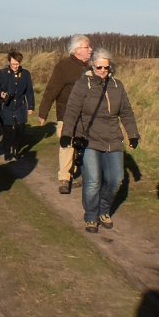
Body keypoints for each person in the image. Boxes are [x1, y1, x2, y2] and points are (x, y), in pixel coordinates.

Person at [60, 48, 140, 233]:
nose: (103, 70)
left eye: (106, 67)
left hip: (113, 139)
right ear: (92, 66)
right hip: (90, 139)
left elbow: (126, 112)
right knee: (94, 180)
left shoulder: (117, 85)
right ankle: (91, 215)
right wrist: (67, 134)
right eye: (99, 67)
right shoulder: (82, 85)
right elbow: (72, 110)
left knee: (116, 179)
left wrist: (133, 134)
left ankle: (104, 210)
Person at [38, 34, 92, 194]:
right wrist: (43, 111)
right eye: (87, 47)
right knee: (67, 144)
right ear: (77, 50)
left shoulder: (92, 67)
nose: (91, 50)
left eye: (90, 47)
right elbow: (51, 89)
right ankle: (64, 179)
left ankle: (79, 172)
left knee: (82, 146)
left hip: (87, 116)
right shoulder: (63, 66)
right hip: (66, 114)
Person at [0, 50, 35, 161]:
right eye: (13, 64)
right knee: (8, 130)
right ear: (9, 62)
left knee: (19, 129)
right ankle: (7, 152)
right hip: (6, 107)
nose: (15, 66)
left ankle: (15, 151)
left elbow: (29, 91)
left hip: (20, 106)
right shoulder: (2, 73)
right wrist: (0, 93)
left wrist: (31, 107)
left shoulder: (26, 74)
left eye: (17, 64)